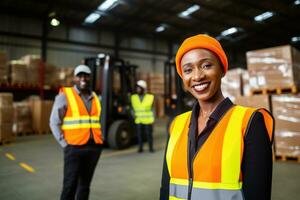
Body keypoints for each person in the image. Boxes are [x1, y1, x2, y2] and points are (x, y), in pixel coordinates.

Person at [159, 34, 274, 200]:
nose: (197, 76)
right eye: (188, 70)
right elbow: (166, 188)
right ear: (183, 77)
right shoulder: (176, 124)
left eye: (206, 65)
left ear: (222, 69)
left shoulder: (249, 122)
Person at [50, 64, 103, 200]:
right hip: (74, 148)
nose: (83, 78)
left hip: (93, 147)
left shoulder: (96, 97)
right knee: (70, 185)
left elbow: (96, 121)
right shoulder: (65, 95)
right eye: (80, 75)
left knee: (85, 186)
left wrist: (99, 141)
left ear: (90, 78)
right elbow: (54, 122)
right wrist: (65, 144)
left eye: (86, 75)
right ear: (75, 78)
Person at [131, 80, 155, 153]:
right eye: (137, 88)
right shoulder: (133, 97)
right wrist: (133, 115)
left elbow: (153, 109)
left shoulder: (150, 97)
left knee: (149, 135)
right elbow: (132, 108)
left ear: (143, 88)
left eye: (139, 88)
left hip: (148, 120)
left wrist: (153, 118)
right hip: (138, 119)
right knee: (139, 135)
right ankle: (140, 148)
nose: (137, 89)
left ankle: (151, 148)